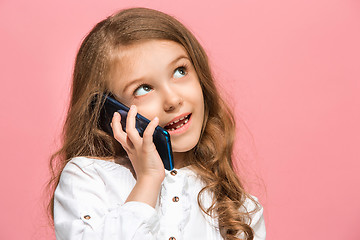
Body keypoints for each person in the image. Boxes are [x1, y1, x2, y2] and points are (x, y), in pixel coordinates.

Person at [48, 7, 266, 240]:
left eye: (180, 71)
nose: (172, 100)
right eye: (144, 89)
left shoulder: (239, 209)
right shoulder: (87, 178)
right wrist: (149, 180)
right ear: (108, 109)